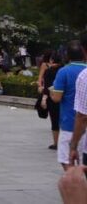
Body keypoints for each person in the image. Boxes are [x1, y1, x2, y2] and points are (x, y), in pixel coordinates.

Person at [51, 40, 87, 171]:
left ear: (67, 55)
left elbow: (56, 97)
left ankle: (76, 184)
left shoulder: (63, 72)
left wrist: (50, 93)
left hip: (69, 123)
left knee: (66, 159)